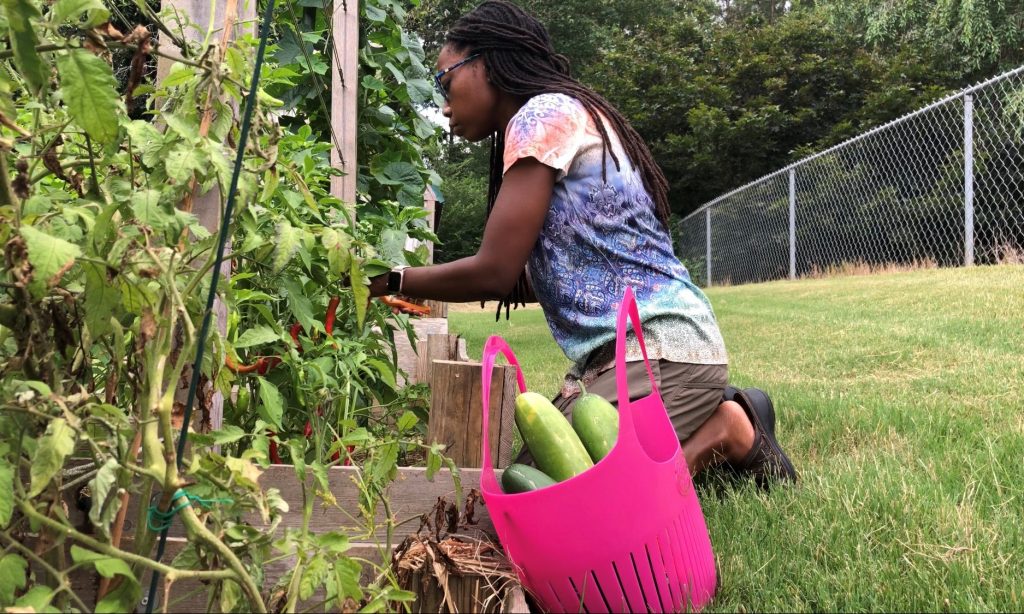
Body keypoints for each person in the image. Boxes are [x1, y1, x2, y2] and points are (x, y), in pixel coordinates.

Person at [368, 0, 796, 487]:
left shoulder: (542, 116)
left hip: (659, 349)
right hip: (640, 354)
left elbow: (495, 271)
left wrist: (389, 280)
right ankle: (700, 433)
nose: (444, 105)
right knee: (530, 476)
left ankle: (728, 430)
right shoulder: (561, 116)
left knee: (552, 493)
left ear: (487, 62)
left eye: (446, 83)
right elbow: (550, 277)